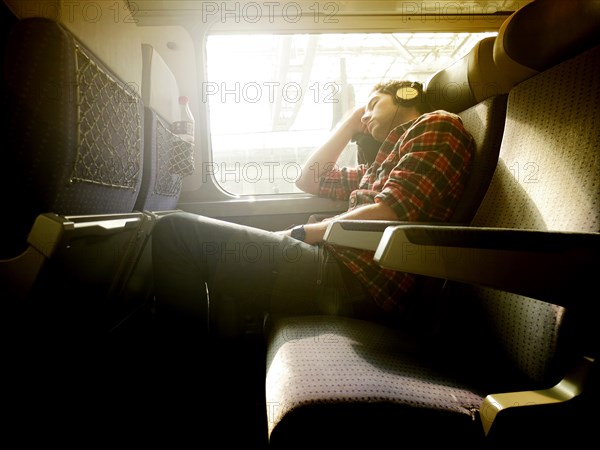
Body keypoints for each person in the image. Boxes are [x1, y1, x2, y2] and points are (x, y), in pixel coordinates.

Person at [151, 80, 475, 342]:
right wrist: (350, 122)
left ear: (406, 95)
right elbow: (310, 178)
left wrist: (303, 233)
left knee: (176, 231)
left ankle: (183, 381)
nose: (365, 116)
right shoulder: (379, 164)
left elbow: (391, 211)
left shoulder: (437, 125)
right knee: (210, 265)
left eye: (374, 104)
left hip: (355, 280)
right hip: (340, 266)